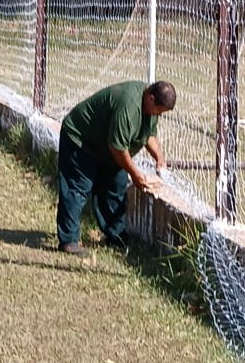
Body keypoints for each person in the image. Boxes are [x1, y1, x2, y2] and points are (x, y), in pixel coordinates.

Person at [55, 79, 177, 257]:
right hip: (81, 140)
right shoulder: (128, 106)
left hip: (105, 146)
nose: (159, 115)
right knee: (78, 188)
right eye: (159, 110)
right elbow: (117, 147)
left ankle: (116, 237)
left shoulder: (149, 109)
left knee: (114, 188)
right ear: (151, 98)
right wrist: (135, 174)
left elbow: (148, 135)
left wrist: (160, 159)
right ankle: (69, 241)